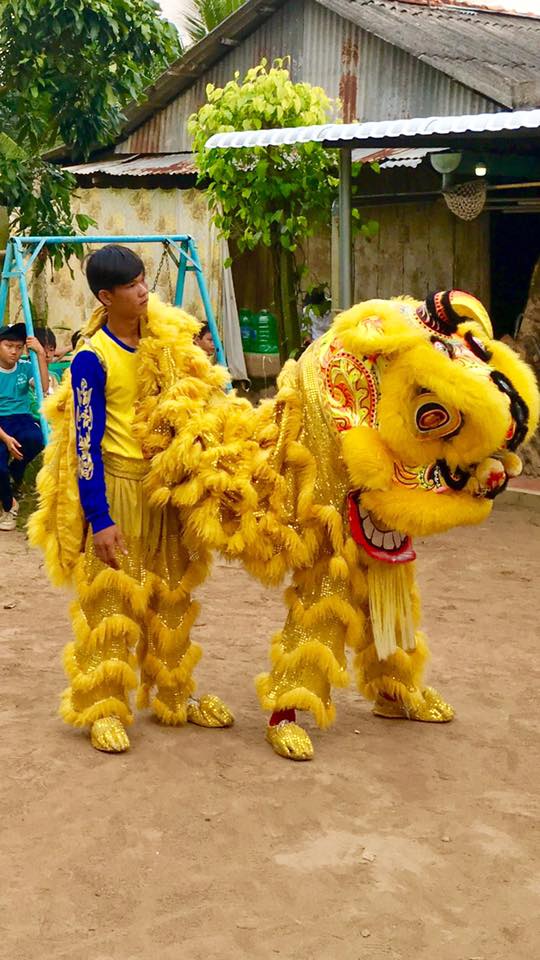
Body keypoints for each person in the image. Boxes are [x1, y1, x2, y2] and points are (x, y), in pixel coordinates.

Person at [31, 244, 233, 753]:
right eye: (132, 286)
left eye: (144, 280)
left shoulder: (164, 341)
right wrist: (98, 518)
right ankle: (103, 704)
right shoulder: (90, 359)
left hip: (164, 490)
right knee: (112, 600)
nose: (144, 291)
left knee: (172, 591)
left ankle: (172, 692)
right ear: (107, 296)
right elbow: (84, 444)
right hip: (116, 488)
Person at [0, 322, 48, 531]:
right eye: (9, 346)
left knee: (37, 439)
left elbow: (44, 388)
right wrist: (5, 439)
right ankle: (10, 505)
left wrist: (41, 355)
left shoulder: (26, 367)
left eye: (19, 347)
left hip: (21, 417)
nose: (14, 351)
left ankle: (15, 472)